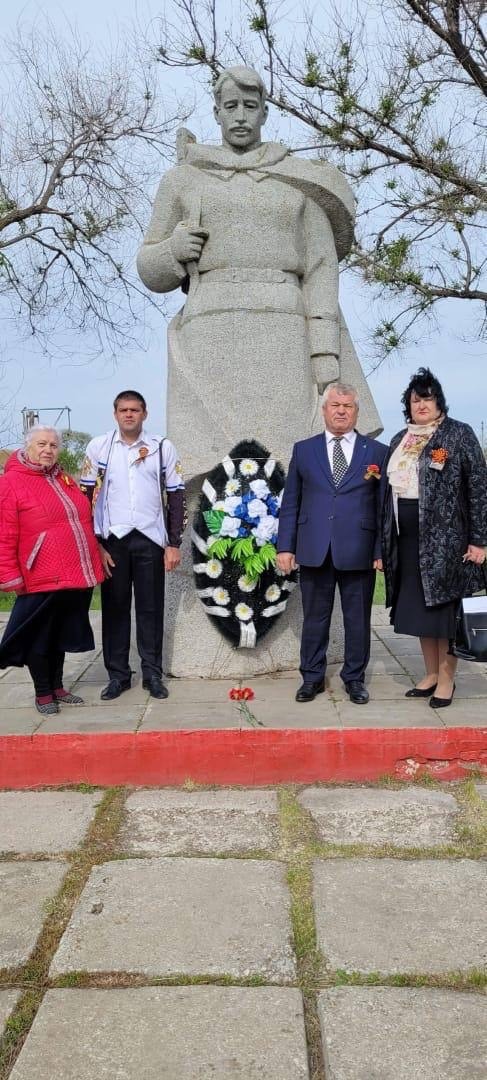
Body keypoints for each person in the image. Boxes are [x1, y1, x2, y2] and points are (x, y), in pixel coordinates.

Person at [136, 65, 381, 483]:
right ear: (216, 112)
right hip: (209, 329)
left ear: (265, 111)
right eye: (230, 106)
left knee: (288, 457)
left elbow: (321, 270)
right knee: (208, 468)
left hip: (284, 329)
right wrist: (173, 251)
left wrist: (325, 354)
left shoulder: (296, 181)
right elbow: (150, 269)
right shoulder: (182, 180)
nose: (240, 116)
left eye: (250, 106)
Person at [381, 367, 487, 709]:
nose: (421, 404)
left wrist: (479, 540)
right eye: (415, 399)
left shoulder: (458, 434)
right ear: (408, 406)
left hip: (447, 543)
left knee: (444, 614)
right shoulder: (400, 439)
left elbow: (479, 489)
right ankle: (429, 674)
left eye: (427, 397)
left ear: (439, 401)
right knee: (422, 611)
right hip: (408, 540)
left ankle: (447, 680)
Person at [276, 383, 388, 704]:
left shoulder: (376, 452)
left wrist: (380, 550)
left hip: (359, 550)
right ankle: (311, 677)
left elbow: (382, 507)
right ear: (324, 410)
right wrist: (286, 547)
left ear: (356, 411)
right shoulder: (304, 450)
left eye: (348, 405)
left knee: (357, 620)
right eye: (335, 405)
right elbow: (291, 502)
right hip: (314, 548)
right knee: (315, 618)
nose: (341, 410)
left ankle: (354, 678)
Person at [79, 391, 186, 701]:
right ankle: (118, 675)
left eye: (135, 410)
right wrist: (95, 543)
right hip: (112, 541)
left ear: (144, 414)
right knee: (114, 609)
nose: (129, 415)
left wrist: (173, 542)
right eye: (123, 410)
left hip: (151, 538)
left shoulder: (162, 447)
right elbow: (86, 498)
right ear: (115, 414)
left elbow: (176, 496)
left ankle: (152, 673)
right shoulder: (99, 447)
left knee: (151, 609)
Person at [0, 426, 104, 715]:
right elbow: (4, 533)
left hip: (73, 572)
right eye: (42, 444)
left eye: (54, 445)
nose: (48, 450)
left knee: (60, 632)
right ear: (28, 447)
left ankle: (58, 686)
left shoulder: (64, 478)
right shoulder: (10, 482)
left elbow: (82, 520)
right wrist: (8, 573)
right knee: (39, 636)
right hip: (39, 574)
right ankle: (43, 692)